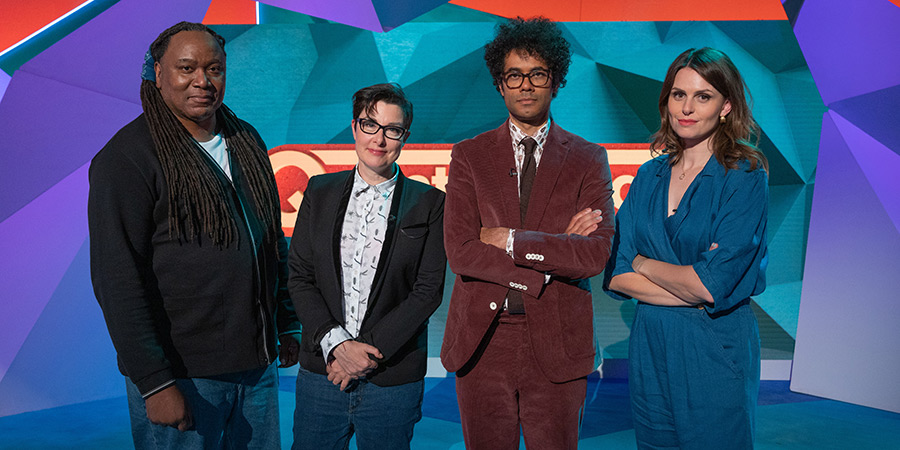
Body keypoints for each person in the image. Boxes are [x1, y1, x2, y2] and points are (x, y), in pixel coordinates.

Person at [88, 21, 300, 449]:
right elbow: (117, 279)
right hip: (183, 377)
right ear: (157, 73)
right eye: (186, 68)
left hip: (256, 369)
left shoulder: (244, 138)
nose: (202, 81)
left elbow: (268, 239)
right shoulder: (127, 157)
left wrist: (287, 322)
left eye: (214, 69)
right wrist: (154, 383)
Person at [440, 17, 616, 449]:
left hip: (558, 343)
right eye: (514, 75)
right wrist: (546, 262)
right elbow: (461, 251)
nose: (525, 85)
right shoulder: (469, 155)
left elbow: (593, 256)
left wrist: (511, 239)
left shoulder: (589, 159)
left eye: (537, 74)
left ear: (555, 80)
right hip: (482, 342)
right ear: (499, 84)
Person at [604, 47, 769, 449]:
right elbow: (617, 271)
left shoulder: (744, 177)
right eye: (679, 95)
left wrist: (643, 262)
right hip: (651, 346)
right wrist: (686, 283)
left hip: (713, 346)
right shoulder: (648, 175)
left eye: (703, 96)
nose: (688, 108)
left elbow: (710, 286)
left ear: (726, 105)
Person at [287, 83, 446, 450]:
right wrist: (338, 346)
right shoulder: (319, 191)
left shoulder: (430, 203)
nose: (379, 138)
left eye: (392, 129)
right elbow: (300, 277)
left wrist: (363, 355)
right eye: (370, 124)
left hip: (392, 379)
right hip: (323, 374)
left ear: (404, 136)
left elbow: (426, 293)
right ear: (355, 127)